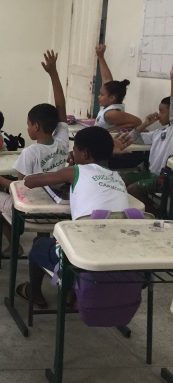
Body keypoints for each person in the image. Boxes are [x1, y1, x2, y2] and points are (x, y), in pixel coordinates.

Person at [14, 126, 130, 308]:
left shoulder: (76, 171)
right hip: (118, 253)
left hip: (81, 255)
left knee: (39, 244)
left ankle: (34, 292)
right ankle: (71, 293)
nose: (72, 153)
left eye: (74, 150)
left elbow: (29, 181)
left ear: (84, 154)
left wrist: (70, 167)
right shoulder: (118, 177)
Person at [0, 50, 69, 257]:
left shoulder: (31, 152)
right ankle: (41, 240)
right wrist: (53, 73)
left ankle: (14, 244)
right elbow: (61, 107)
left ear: (36, 126)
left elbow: (18, 190)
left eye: (28, 124)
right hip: (55, 207)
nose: (27, 127)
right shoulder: (63, 141)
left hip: (31, 210)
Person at [119, 66, 173, 213]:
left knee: (133, 189)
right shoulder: (159, 132)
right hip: (151, 173)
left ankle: (153, 214)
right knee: (120, 180)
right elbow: (134, 138)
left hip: (164, 178)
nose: (159, 114)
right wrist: (145, 124)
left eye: (162, 111)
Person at [93, 44, 141, 130]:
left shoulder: (111, 114)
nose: (98, 96)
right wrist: (100, 57)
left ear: (112, 98)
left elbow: (138, 122)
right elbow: (107, 79)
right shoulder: (109, 105)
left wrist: (114, 128)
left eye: (101, 94)